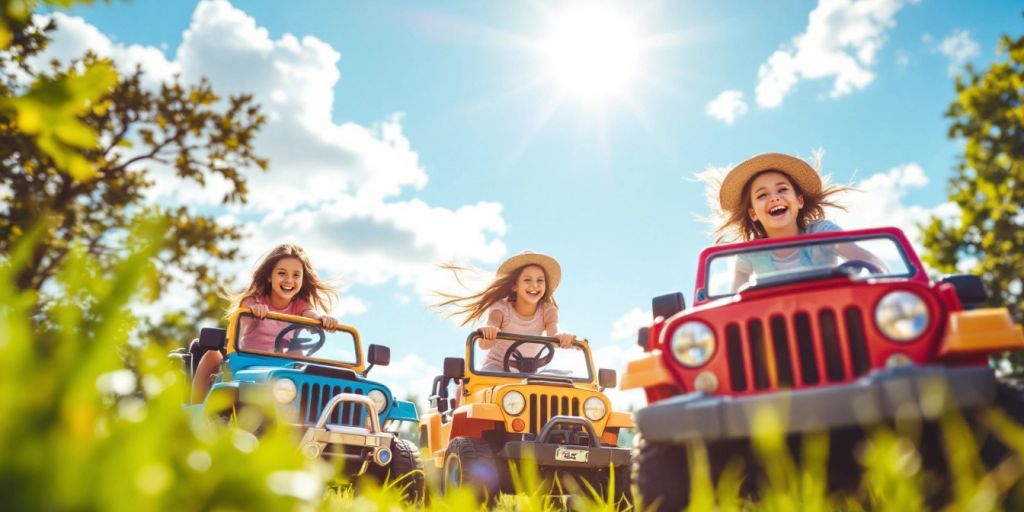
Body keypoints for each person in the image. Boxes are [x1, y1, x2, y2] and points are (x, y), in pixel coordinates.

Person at [708, 152, 886, 291]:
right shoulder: (751, 253)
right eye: (762, 195)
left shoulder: (822, 233)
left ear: (799, 201)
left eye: (782, 189)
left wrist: (878, 270)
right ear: (753, 213)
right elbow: (735, 296)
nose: (775, 198)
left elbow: (870, 261)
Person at [190, 243, 339, 404]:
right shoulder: (254, 300)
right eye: (282, 273)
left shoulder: (299, 305)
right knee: (212, 354)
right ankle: (196, 409)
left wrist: (322, 319)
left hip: (279, 366)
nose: (289, 280)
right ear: (270, 277)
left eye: (296, 275)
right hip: (245, 362)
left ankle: (304, 415)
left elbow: (311, 314)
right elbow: (244, 315)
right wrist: (254, 309)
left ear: (302, 279)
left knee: (301, 360)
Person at [434, 251, 575, 373]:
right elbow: (484, 345)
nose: (535, 285)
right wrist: (489, 332)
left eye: (540, 280)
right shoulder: (501, 308)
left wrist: (563, 337)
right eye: (527, 280)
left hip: (528, 373)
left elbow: (554, 337)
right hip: (496, 369)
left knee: (558, 381)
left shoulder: (548, 310)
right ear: (514, 286)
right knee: (481, 386)